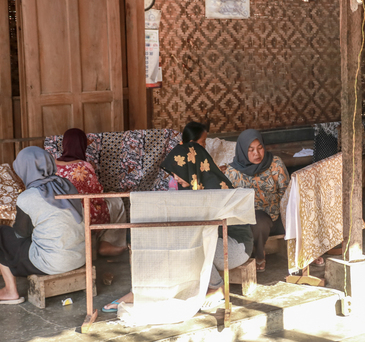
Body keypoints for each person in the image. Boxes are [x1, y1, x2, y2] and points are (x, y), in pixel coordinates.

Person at [102, 127, 253, 312]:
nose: (175, 177)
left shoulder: (215, 187)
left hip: (235, 246)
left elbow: (202, 228)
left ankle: (217, 287)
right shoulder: (190, 185)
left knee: (192, 241)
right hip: (214, 244)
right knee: (168, 242)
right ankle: (142, 290)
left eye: (178, 171)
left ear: (191, 166)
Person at [0, 147, 85, 305]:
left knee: (1, 234)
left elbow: (21, 235)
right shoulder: (67, 185)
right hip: (80, 257)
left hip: (52, 263)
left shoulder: (28, 197)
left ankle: (10, 290)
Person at [55, 128, 127, 256]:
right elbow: (96, 197)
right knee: (116, 201)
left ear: (64, 144)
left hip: (58, 214)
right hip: (82, 215)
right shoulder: (84, 167)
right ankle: (107, 243)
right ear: (83, 145)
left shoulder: (52, 165)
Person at [225, 129, 289, 272]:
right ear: (242, 150)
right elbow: (230, 201)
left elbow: (287, 192)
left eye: (260, 148)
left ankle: (307, 254)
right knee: (257, 221)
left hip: (277, 216)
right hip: (247, 218)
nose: (257, 153)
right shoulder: (233, 172)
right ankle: (258, 255)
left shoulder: (275, 164)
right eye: (251, 149)